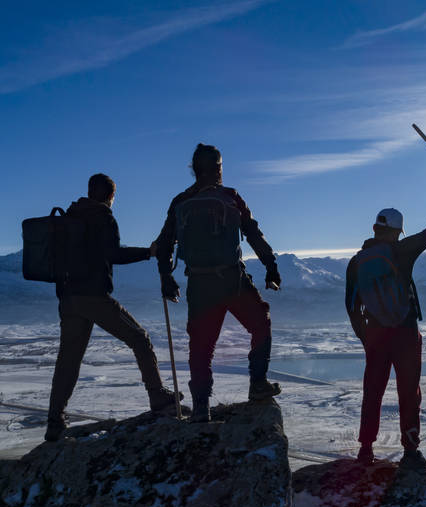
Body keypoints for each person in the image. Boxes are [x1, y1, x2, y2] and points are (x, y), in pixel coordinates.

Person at [345, 184, 426, 470]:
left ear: (374, 228)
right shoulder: (403, 251)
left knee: (373, 391)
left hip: (375, 334)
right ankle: (410, 451)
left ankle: (365, 449)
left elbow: (351, 304)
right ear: (397, 231)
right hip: (405, 333)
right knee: (408, 391)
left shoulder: (356, 262)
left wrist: (365, 337)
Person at [45, 173, 181, 442]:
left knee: (68, 361)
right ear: (111, 197)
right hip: (93, 296)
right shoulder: (102, 216)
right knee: (139, 338)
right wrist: (149, 252)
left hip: (68, 298)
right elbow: (113, 254)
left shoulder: (71, 217)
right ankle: (158, 398)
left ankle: (54, 422)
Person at [154, 144, 282, 423]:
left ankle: (201, 407)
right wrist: (271, 266)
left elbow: (164, 244)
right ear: (217, 168)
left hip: (199, 284)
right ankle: (258, 384)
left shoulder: (180, 202)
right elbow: (252, 233)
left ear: (195, 170)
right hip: (232, 280)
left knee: (201, 347)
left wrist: (166, 277)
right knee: (261, 322)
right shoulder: (230, 196)